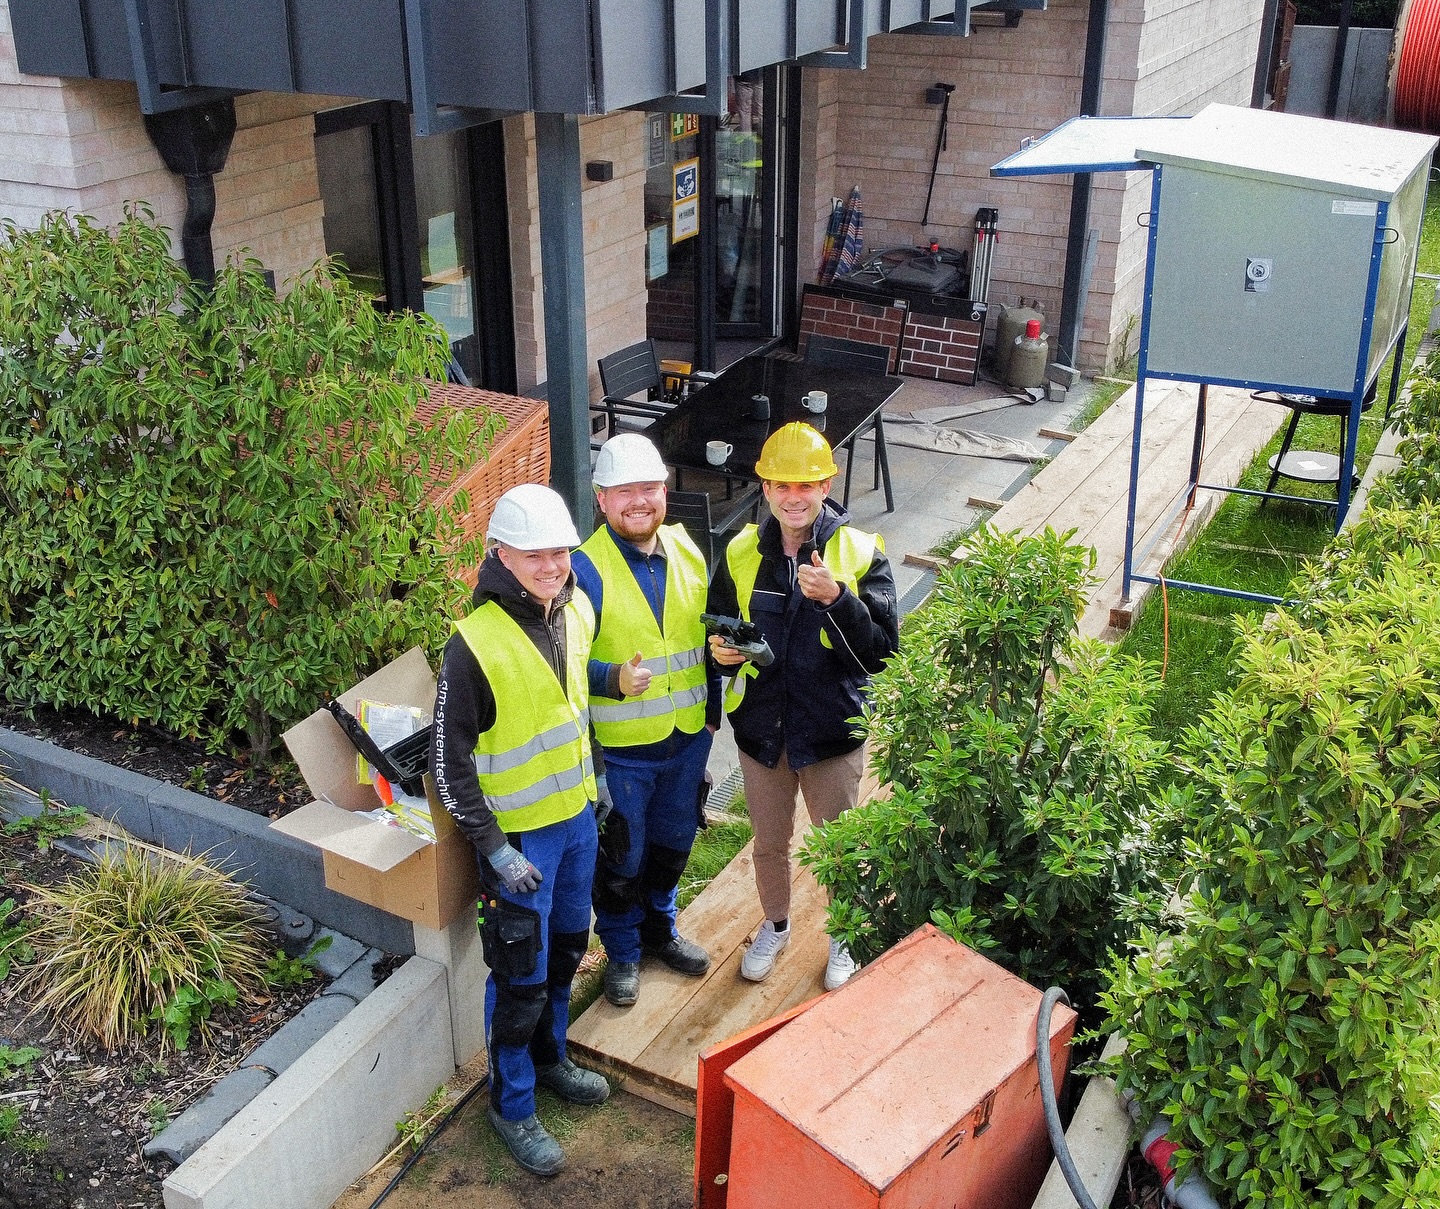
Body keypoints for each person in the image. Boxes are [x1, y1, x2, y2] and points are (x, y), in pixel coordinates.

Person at [429, 483, 644, 1177]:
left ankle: (551, 1059)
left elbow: (573, 691)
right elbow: (447, 761)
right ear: (501, 555)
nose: (553, 564)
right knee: (518, 979)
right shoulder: (472, 646)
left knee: (562, 953)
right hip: (521, 842)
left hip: (578, 820)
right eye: (536, 555)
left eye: (560, 551)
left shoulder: (574, 607)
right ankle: (512, 1104)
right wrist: (492, 849)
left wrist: (604, 765)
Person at [706, 422, 898, 991]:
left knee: (840, 844)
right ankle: (776, 923)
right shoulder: (741, 552)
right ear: (765, 488)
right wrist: (719, 656)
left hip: (832, 729)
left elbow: (883, 654)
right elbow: (720, 634)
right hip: (763, 732)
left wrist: (838, 599)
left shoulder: (859, 553)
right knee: (768, 842)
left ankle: (845, 934)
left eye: (807, 485)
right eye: (782, 485)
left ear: (827, 484)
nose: (794, 497)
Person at [571, 433, 720, 1008]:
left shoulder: (687, 549)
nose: (640, 501)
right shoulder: (583, 569)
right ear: (602, 500)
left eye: (650, 488)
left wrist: (710, 718)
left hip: (686, 742)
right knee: (621, 859)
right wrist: (611, 676)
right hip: (623, 752)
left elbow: (704, 640)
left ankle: (661, 930)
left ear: (665, 491)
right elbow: (558, 668)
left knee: (673, 845)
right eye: (625, 491)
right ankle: (624, 951)